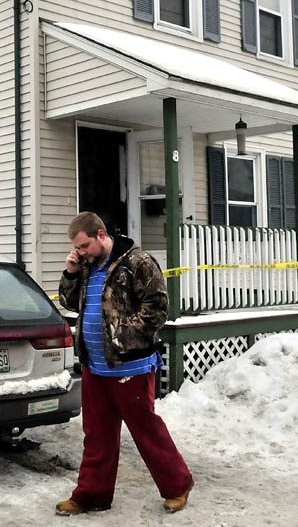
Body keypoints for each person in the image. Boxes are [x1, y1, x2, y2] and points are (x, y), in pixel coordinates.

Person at [55, 211, 194, 515]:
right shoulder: (86, 266)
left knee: (146, 431)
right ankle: (92, 495)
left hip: (130, 367)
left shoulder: (137, 262)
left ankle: (178, 485)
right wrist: (71, 272)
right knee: (97, 434)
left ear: (101, 235)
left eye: (84, 246)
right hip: (95, 366)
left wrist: (121, 336)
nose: (80, 252)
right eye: (77, 248)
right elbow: (70, 302)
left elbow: (157, 309)